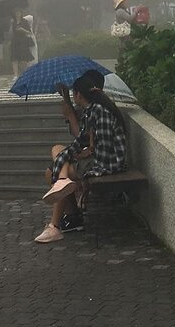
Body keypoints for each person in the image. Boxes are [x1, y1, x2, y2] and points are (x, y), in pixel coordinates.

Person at [36, 73, 128, 244]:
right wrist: (81, 152)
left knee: (51, 173)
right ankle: (63, 183)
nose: (72, 96)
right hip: (98, 158)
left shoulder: (99, 112)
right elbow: (80, 143)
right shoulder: (91, 111)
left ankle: (55, 225)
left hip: (106, 164)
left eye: (73, 93)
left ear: (78, 94)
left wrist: (85, 152)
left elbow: (105, 153)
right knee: (58, 151)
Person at [10, 13, 35, 79]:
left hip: (23, 41)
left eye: (19, 12)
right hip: (15, 41)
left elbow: (29, 32)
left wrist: (22, 30)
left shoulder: (24, 21)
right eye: (16, 12)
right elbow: (10, 32)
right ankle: (15, 75)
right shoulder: (13, 22)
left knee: (24, 59)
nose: (17, 14)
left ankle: (25, 73)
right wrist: (11, 24)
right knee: (14, 58)